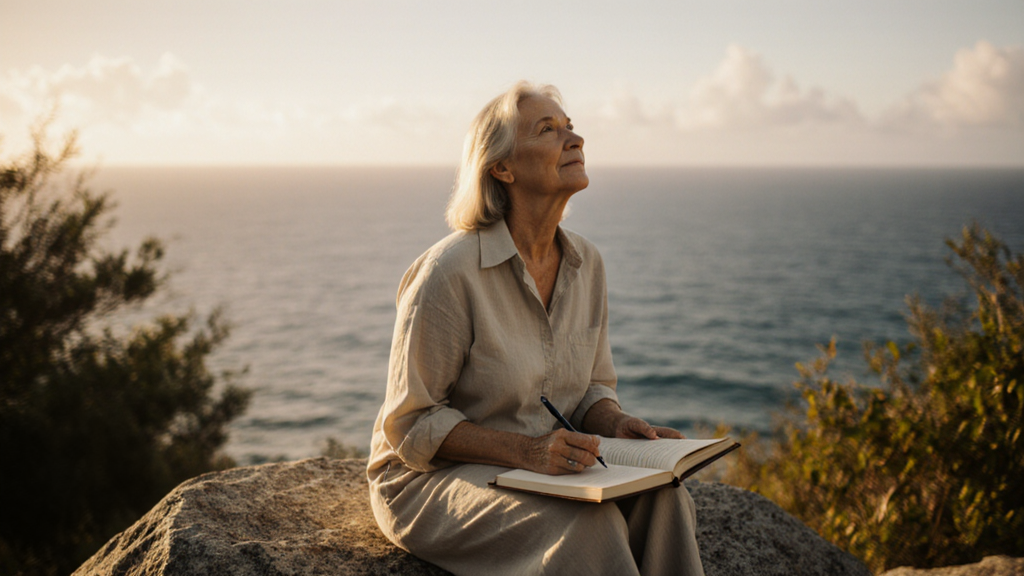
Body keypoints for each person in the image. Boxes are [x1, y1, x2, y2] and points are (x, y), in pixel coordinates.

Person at [367, 81, 705, 576]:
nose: (575, 139)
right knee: (590, 530)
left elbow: (590, 388)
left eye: (570, 127)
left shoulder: (587, 263)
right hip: (429, 478)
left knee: (666, 499)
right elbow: (411, 424)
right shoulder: (448, 272)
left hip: (537, 470)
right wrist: (527, 451)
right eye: (548, 130)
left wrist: (614, 423)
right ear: (501, 167)